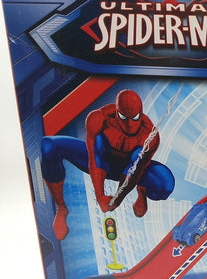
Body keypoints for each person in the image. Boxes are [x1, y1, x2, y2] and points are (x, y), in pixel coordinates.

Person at [41, 89, 174, 239]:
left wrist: (117, 199)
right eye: (123, 117)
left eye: (135, 118)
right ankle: (61, 209)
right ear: (117, 112)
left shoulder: (150, 135)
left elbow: (136, 169)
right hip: (102, 161)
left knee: (165, 184)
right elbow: (95, 156)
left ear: (141, 114)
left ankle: (142, 192)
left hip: (131, 167)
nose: (129, 124)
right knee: (49, 145)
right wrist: (100, 196)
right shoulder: (99, 119)